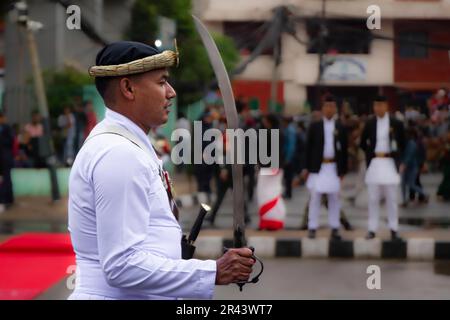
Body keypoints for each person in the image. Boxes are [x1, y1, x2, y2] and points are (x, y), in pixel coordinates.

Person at [68, 41, 254, 300]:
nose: (171, 92)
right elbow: (121, 266)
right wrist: (213, 272)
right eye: (161, 82)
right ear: (128, 88)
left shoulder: (128, 145)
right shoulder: (119, 153)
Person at [360, 96, 405, 241]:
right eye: (376, 105)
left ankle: (394, 228)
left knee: (391, 198)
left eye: (381, 105)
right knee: (373, 198)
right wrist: (369, 153)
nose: (378, 108)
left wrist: (400, 161)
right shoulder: (370, 123)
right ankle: (372, 229)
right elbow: (362, 142)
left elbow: (403, 142)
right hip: (375, 162)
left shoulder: (396, 123)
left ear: (386, 106)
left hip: (390, 162)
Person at [304, 96, 348, 240]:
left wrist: (343, 171)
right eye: (327, 106)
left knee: (334, 198)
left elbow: (345, 150)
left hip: (333, 167)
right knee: (315, 197)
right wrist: (306, 168)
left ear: (335, 109)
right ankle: (312, 227)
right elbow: (308, 148)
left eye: (332, 106)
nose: (329, 109)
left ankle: (335, 227)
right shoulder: (315, 126)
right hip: (318, 167)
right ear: (323, 109)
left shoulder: (340, 127)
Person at [400, 127, 429, 207]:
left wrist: (404, 164)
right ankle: (404, 200)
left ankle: (424, 194)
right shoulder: (407, 142)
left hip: (411, 167)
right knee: (405, 184)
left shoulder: (412, 143)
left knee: (411, 184)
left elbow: (410, 155)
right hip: (409, 166)